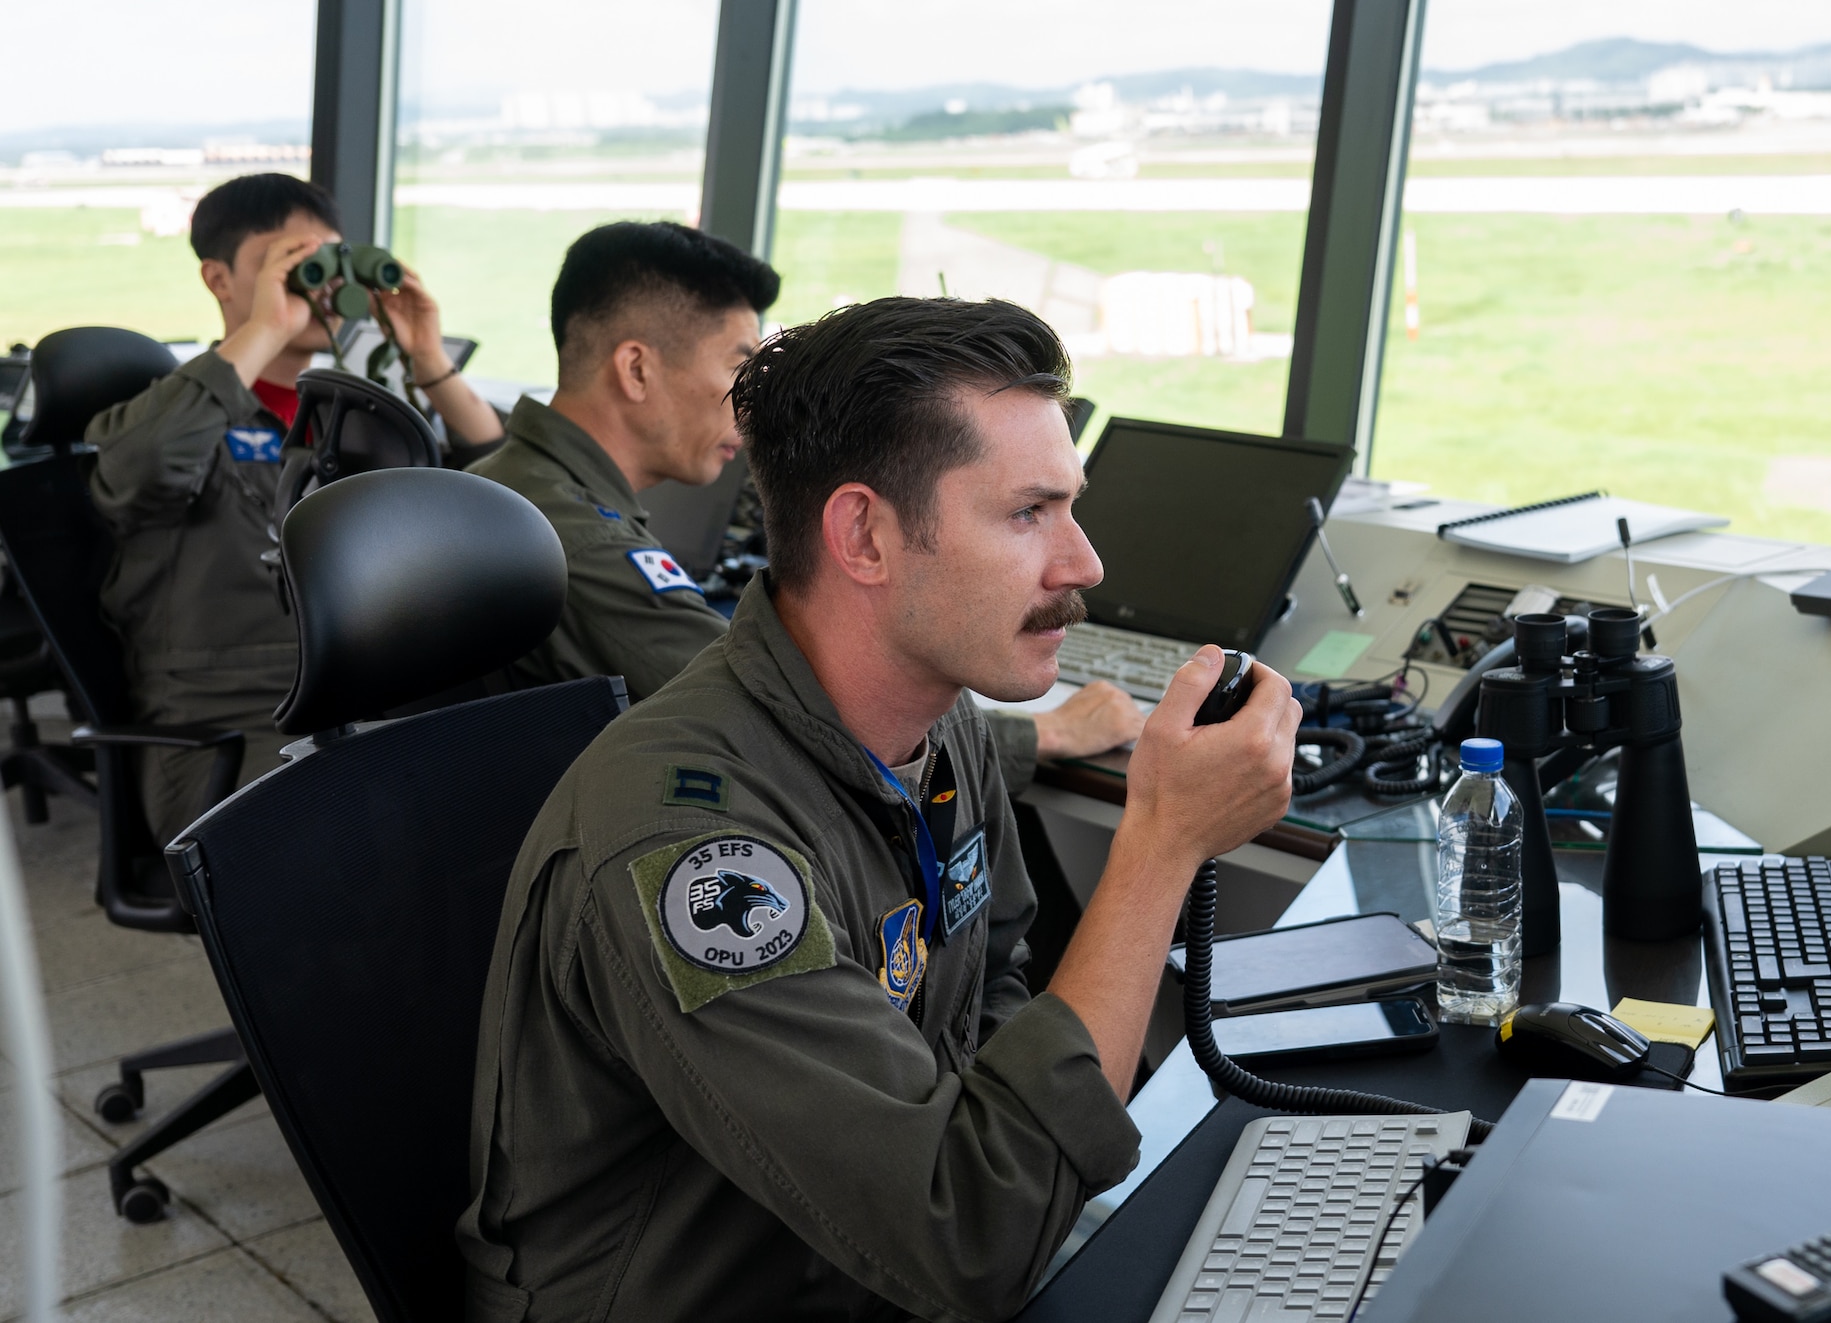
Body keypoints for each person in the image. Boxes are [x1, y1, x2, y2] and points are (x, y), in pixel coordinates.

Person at [458, 296, 1300, 1322]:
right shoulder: (694, 851)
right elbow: (966, 1242)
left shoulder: (939, 732)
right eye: (1027, 512)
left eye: (1068, 507)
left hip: (874, 1263)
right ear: (863, 533)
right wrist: (1161, 844)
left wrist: (995, 1147)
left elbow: (994, 966)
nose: (1083, 565)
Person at [470, 219, 1143, 792]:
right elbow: (775, 705)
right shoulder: (575, 542)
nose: (745, 398)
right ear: (638, 368)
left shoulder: (513, 487)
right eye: (737, 364)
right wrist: (1049, 732)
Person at [85, 172, 503, 840]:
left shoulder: (355, 414)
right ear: (219, 280)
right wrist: (267, 326)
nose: (323, 285)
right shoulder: (178, 416)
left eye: (330, 262)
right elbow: (143, 465)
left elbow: (499, 494)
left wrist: (426, 356)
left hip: (372, 701)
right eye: (292, 263)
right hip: (237, 729)